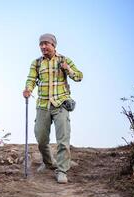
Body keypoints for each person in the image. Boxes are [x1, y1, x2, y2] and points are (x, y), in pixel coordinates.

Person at [23, 33, 83, 184]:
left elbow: (79, 76)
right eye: (41, 44)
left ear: (53, 45)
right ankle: (49, 162)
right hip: (43, 105)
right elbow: (31, 79)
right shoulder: (36, 63)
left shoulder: (64, 60)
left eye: (46, 44)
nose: (43, 47)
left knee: (63, 140)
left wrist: (68, 69)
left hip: (60, 104)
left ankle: (62, 170)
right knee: (41, 138)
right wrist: (28, 89)